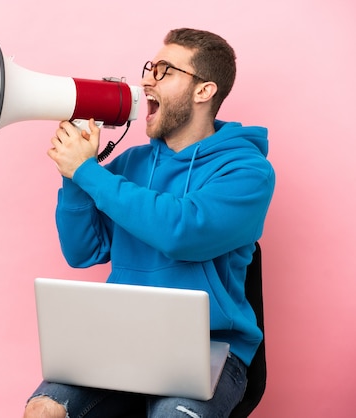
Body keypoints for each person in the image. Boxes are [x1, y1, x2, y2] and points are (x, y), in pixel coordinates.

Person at [23, 28, 275, 418]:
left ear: (203, 91)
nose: (146, 80)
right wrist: (72, 175)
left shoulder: (248, 171)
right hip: (119, 339)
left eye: (164, 70)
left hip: (209, 348)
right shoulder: (130, 166)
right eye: (149, 68)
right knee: (44, 410)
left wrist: (89, 173)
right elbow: (82, 252)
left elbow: (182, 232)